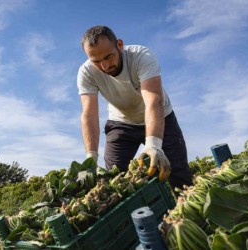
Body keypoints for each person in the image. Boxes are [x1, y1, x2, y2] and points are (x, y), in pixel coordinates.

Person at [77, 25, 193, 190]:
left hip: (160, 117)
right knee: (114, 179)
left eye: (109, 57)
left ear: (119, 45)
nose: (104, 66)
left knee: (179, 176)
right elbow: (89, 115)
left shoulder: (141, 56)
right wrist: (91, 157)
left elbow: (153, 100)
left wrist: (153, 144)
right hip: (121, 123)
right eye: (96, 61)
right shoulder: (86, 73)